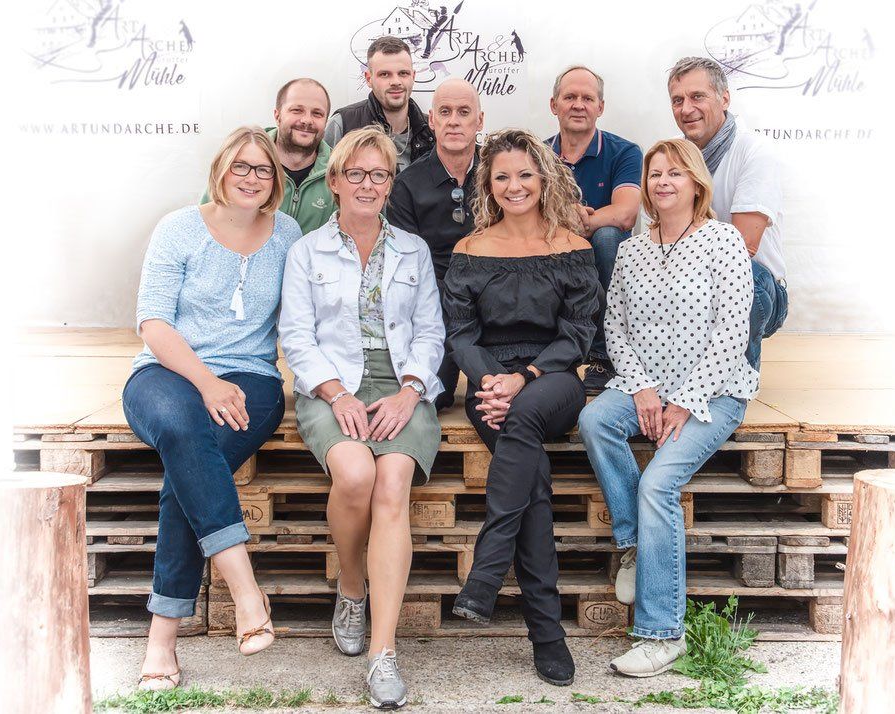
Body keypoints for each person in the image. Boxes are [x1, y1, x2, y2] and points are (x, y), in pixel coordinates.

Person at [124, 127, 303, 690]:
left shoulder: (288, 234)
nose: (252, 178)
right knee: (183, 432)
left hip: (252, 380)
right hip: (166, 371)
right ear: (220, 170)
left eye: (263, 169)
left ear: (276, 180)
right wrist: (205, 383)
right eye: (240, 166)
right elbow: (153, 322)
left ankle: (161, 639)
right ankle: (247, 593)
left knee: (188, 470)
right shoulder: (178, 228)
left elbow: (302, 318)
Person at [577, 139, 759, 677]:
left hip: (714, 393)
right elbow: (615, 326)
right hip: (648, 387)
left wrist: (684, 400)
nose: (663, 182)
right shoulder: (632, 249)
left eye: (675, 173)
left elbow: (733, 332)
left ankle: (662, 633)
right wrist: (640, 389)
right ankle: (634, 542)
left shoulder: (723, 241)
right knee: (594, 419)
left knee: (658, 483)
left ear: (696, 183)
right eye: (655, 173)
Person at [279, 126, 444, 709]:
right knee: (355, 475)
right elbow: (297, 336)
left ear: (390, 183)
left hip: (400, 384)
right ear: (336, 180)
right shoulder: (306, 252)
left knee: (392, 484)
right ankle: (351, 589)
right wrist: (335, 394)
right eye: (357, 174)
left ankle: (383, 652)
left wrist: (409, 392)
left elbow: (430, 333)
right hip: (332, 382)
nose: (368, 185)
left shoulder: (413, 250)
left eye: (379, 175)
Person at [443, 128, 602, 687]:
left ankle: (486, 572)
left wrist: (524, 378)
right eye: (502, 176)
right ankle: (547, 634)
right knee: (531, 481)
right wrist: (492, 381)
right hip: (490, 385)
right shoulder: (470, 251)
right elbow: (461, 335)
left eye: (525, 174)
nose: (515, 186)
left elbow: (579, 333)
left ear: (544, 178)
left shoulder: (572, 247)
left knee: (527, 414)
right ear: (488, 184)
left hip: (552, 379)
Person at [667, 56, 788, 369]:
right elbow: (660, 235)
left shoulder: (755, 151)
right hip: (689, 277)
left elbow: (744, 246)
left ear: (724, 98)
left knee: (743, 277)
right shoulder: (672, 155)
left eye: (697, 96)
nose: (686, 109)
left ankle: (736, 381)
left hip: (756, 285)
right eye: (677, 100)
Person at [388, 78, 484, 410]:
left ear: (480, 121)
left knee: (486, 398)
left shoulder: (499, 175)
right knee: (436, 395)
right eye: (445, 112)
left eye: (464, 112)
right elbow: (406, 264)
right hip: (435, 298)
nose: (454, 121)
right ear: (432, 120)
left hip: (494, 297)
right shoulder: (407, 185)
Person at [547, 65, 643, 394]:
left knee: (608, 237)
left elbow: (626, 213)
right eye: (570, 97)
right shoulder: (537, 155)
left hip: (604, 254)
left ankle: (604, 357)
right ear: (554, 105)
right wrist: (565, 217)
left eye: (587, 98)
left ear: (600, 107)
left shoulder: (624, 151)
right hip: (555, 248)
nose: (578, 105)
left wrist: (581, 220)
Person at [202, 78, 336, 234]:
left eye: (317, 113)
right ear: (277, 116)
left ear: (326, 121)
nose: (307, 120)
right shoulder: (240, 159)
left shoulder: (338, 173)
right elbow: (205, 222)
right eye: (297, 110)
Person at [325, 36, 435, 173]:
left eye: (403, 73)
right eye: (384, 74)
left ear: (413, 77)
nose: (395, 82)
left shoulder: (432, 129)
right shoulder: (342, 124)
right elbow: (324, 181)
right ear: (368, 79)